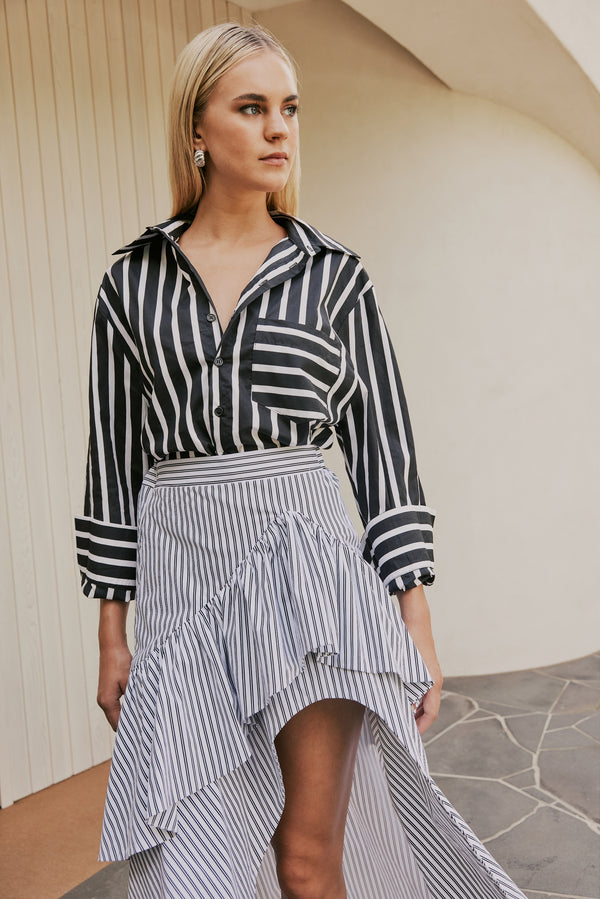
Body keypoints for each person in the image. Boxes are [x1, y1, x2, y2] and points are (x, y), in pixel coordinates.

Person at [75, 22, 526, 899]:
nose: (280, 128)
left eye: (289, 108)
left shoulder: (335, 277)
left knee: (307, 856)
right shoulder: (130, 285)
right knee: (191, 861)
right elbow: (111, 461)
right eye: (252, 108)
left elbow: (383, 448)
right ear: (196, 130)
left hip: (309, 575)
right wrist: (112, 631)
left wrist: (416, 619)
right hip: (185, 582)